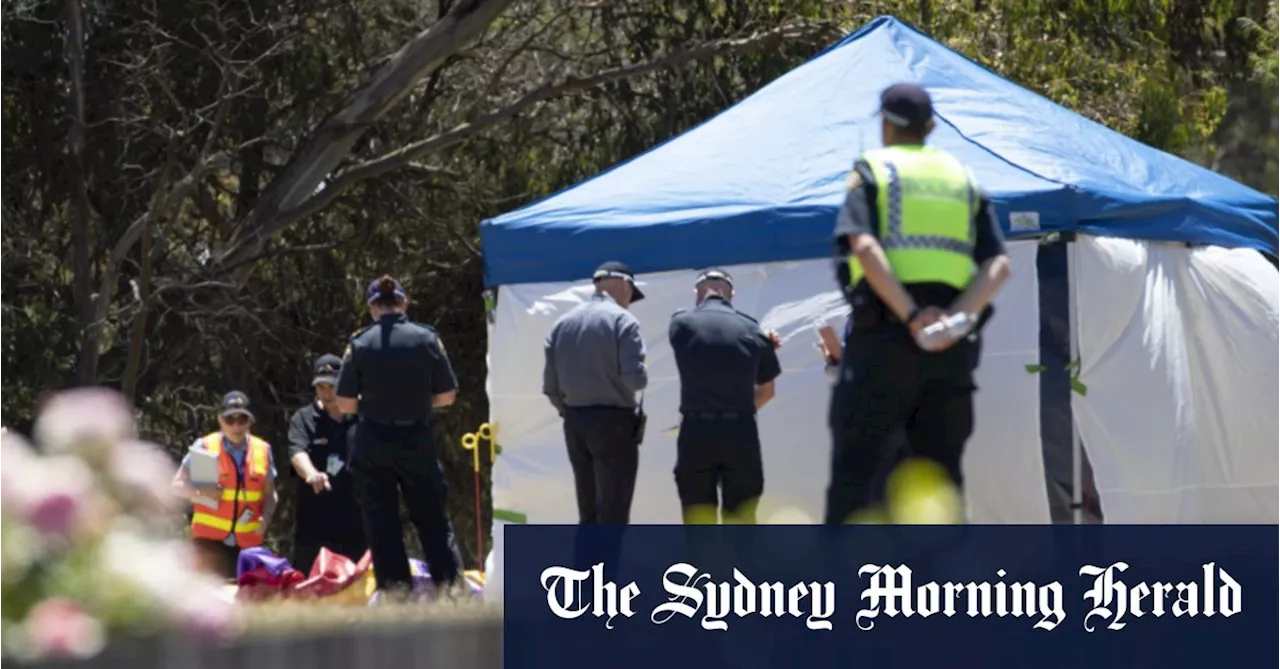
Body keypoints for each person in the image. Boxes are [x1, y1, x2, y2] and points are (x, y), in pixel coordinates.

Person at [824, 82, 1012, 525]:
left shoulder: (873, 169)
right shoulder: (962, 178)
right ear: (930, 127)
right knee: (938, 485)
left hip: (885, 343)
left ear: (885, 124)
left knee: (859, 480)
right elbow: (998, 265)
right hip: (949, 354)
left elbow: (865, 249)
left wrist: (912, 315)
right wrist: (953, 320)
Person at [336, 275, 463, 595]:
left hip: (374, 440)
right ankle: (450, 591)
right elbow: (448, 395)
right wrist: (418, 402)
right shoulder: (426, 338)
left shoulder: (360, 343)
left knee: (381, 523)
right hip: (416, 438)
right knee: (432, 518)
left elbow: (345, 403)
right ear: (404, 303)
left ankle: (397, 595)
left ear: (372, 307)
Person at [668, 269, 782, 525]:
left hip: (696, 431)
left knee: (698, 521)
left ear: (697, 293)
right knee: (741, 520)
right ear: (731, 293)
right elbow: (767, 390)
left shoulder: (681, 324)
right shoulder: (753, 329)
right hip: (740, 431)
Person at [542, 261, 648, 526]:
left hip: (575, 423)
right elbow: (636, 380)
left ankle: (588, 568)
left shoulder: (562, 324)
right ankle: (607, 569)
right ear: (625, 286)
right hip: (614, 424)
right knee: (613, 514)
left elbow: (550, 388)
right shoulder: (624, 321)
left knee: (587, 514)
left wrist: (570, 412)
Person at [171, 391, 279, 580]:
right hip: (209, 543)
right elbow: (177, 485)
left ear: (249, 421)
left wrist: (266, 518)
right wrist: (200, 492)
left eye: (242, 419)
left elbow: (270, 494)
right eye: (230, 420)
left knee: (245, 603)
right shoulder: (205, 446)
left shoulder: (262, 450)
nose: (236, 426)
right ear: (220, 420)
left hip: (247, 545)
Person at [286, 353, 367, 573]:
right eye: (321, 386)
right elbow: (297, 451)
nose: (327, 392)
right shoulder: (303, 418)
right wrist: (311, 473)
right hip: (316, 519)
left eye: (332, 385)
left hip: (358, 518)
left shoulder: (362, 416)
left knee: (360, 583)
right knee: (310, 584)